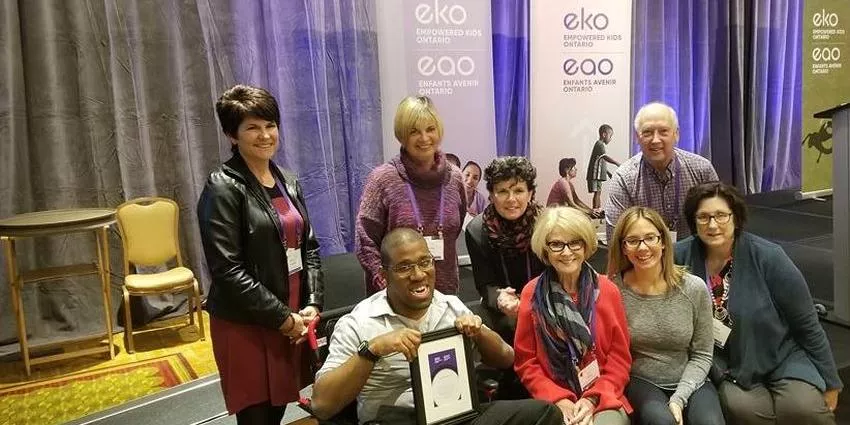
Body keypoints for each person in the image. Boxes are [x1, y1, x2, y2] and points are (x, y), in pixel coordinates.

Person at [310, 228, 564, 425]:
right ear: (384, 274)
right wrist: (372, 350)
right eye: (404, 267)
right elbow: (322, 405)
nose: (419, 274)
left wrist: (481, 333)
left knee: (545, 414)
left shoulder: (450, 306)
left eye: (425, 262)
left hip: (457, 413)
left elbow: (507, 359)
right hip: (396, 419)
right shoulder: (358, 323)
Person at [197, 85, 324, 424]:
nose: (265, 135)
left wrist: (312, 302)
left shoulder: (287, 180)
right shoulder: (222, 186)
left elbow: (309, 246)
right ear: (231, 135)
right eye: (252, 128)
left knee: (278, 407)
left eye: (270, 125)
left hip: (291, 314)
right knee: (256, 417)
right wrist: (281, 318)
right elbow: (226, 269)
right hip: (247, 324)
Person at [675, 182, 842, 425]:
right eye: (703, 217)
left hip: (780, 356)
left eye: (721, 215)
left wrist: (832, 382)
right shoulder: (680, 256)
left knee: (801, 408)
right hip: (728, 365)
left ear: (736, 217)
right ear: (693, 221)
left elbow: (807, 324)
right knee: (746, 411)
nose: (712, 225)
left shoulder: (768, 257)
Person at [514, 206, 632, 425]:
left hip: (602, 396)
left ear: (586, 246)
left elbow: (620, 359)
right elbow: (526, 362)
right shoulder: (531, 293)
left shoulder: (608, 290)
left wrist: (591, 399)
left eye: (574, 243)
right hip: (553, 401)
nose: (566, 252)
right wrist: (559, 399)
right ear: (545, 249)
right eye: (557, 244)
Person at [607, 206, 723, 425]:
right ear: (623, 248)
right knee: (662, 421)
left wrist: (680, 397)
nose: (642, 248)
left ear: (663, 241)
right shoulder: (613, 291)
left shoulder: (693, 288)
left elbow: (703, 354)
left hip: (690, 376)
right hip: (641, 380)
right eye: (632, 241)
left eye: (650, 238)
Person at [356, 96, 466, 295]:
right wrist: (386, 285)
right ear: (402, 135)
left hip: (445, 297)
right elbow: (366, 242)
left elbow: (453, 233)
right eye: (414, 131)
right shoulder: (382, 180)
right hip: (396, 299)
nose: (424, 138)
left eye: (430, 129)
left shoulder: (455, 179)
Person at [465, 157, 546, 399]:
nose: (512, 199)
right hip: (502, 309)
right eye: (502, 191)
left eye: (519, 190)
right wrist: (499, 298)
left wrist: (531, 303)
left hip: (545, 303)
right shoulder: (477, 230)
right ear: (491, 195)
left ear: (530, 193)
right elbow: (484, 284)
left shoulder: (547, 224)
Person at [603, 102, 718, 241]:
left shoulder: (702, 170)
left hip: (694, 259)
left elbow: (718, 224)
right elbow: (616, 238)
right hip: (643, 258)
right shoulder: (623, 179)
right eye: (647, 132)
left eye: (663, 131)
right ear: (637, 138)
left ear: (676, 134)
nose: (655, 140)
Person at [587, 124, 621, 210]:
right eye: (610, 136)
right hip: (594, 175)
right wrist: (616, 163)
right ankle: (596, 210)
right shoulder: (599, 144)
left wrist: (608, 173)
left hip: (597, 175)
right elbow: (604, 157)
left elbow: (601, 162)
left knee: (598, 193)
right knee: (597, 193)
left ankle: (598, 209)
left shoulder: (600, 145)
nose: (610, 139)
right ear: (604, 134)